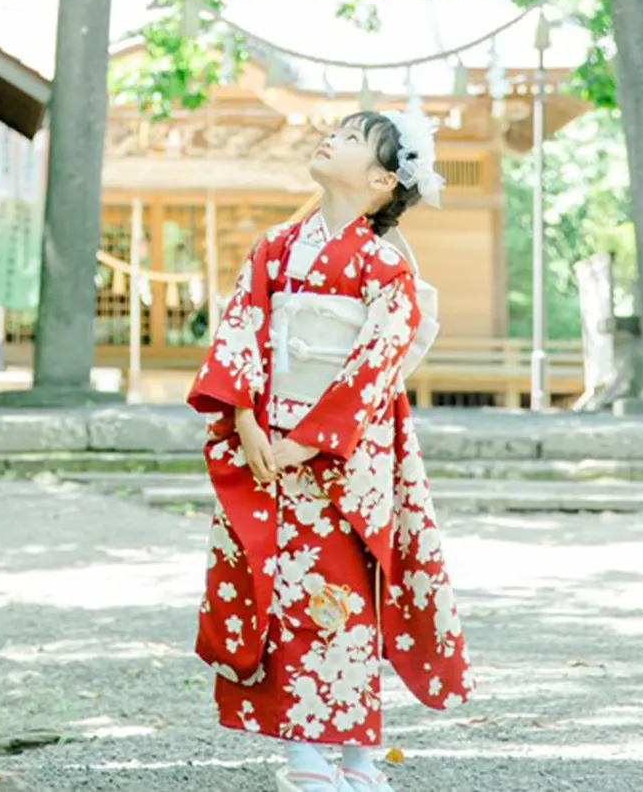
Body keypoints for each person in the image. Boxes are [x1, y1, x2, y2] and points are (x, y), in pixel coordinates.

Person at [188, 109, 473, 792]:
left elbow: (377, 364)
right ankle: (311, 759)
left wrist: (305, 442)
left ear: (380, 180)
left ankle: (355, 758)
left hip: (344, 454)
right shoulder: (276, 246)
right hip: (267, 440)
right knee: (279, 592)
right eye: (336, 131)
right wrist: (249, 424)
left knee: (340, 599)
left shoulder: (385, 266)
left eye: (350, 139)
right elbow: (242, 331)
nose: (331, 139)